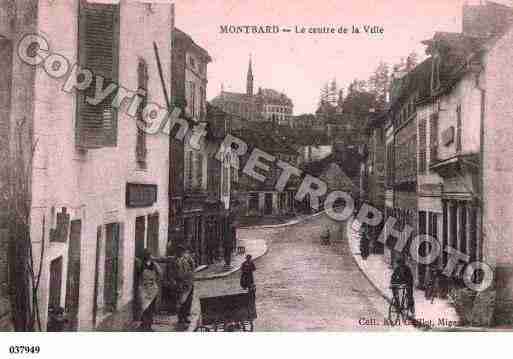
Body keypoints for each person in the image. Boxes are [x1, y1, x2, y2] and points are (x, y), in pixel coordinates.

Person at [135, 248, 162, 331]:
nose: (147, 257)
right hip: (144, 288)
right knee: (144, 306)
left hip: (152, 288)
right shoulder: (140, 264)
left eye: (148, 255)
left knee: (150, 307)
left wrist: (155, 281)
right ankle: (144, 324)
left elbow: (160, 273)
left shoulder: (154, 264)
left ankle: (148, 325)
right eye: (146, 255)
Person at [175, 245, 195, 325]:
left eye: (182, 251)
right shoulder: (175, 259)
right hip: (180, 283)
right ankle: (180, 318)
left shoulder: (187, 259)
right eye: (179, 251)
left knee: (188, 301)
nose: (181, 253)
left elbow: (193, 267)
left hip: (189, 282)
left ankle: (185, 316)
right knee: (181, 301)